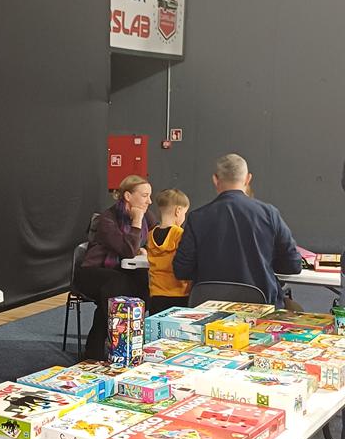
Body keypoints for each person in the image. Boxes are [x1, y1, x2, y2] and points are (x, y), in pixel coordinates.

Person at [173, 154, 302, 306]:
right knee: (296, 308)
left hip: (208, 307)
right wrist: (265, 262)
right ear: (248, 179)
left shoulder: (197, 218)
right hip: (260, 308)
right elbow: (293, 265)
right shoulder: (269, 214)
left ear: (215, 179)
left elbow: (181, 270)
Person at [79, 175, 156, 360]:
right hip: (93, 273)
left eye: (150, 196)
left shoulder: (148, 216)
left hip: (123, 273)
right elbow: (128, 251)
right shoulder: (107, 219)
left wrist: (145, 249)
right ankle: (114, 344)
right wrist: (136, 221)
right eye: (145, 195)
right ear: (128, 196)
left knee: (145, 284)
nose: (149, 201)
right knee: (116, 287)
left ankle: (107, 347)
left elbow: (156, 241)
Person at [147, 189, 192, 314]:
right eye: (184, 213)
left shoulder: (150, 235)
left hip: (156, 294)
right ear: (178, 211)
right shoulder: (179, 234)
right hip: (179, 294)